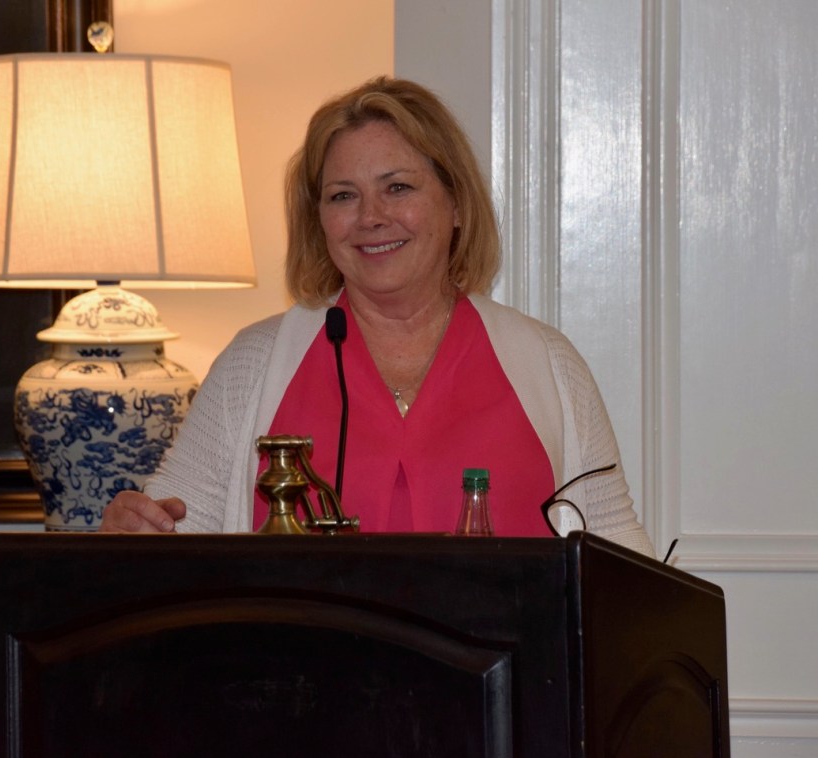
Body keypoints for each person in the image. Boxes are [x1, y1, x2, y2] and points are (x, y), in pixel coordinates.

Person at [100, 76, 656, 558]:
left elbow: (617, 552)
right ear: (319, 220)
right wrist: (132, 535)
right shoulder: (253, 363)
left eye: (398, 187)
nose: (371, 216)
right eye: (343, 196)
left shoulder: (548, 364)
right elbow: (174, 535)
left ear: (456, 203)